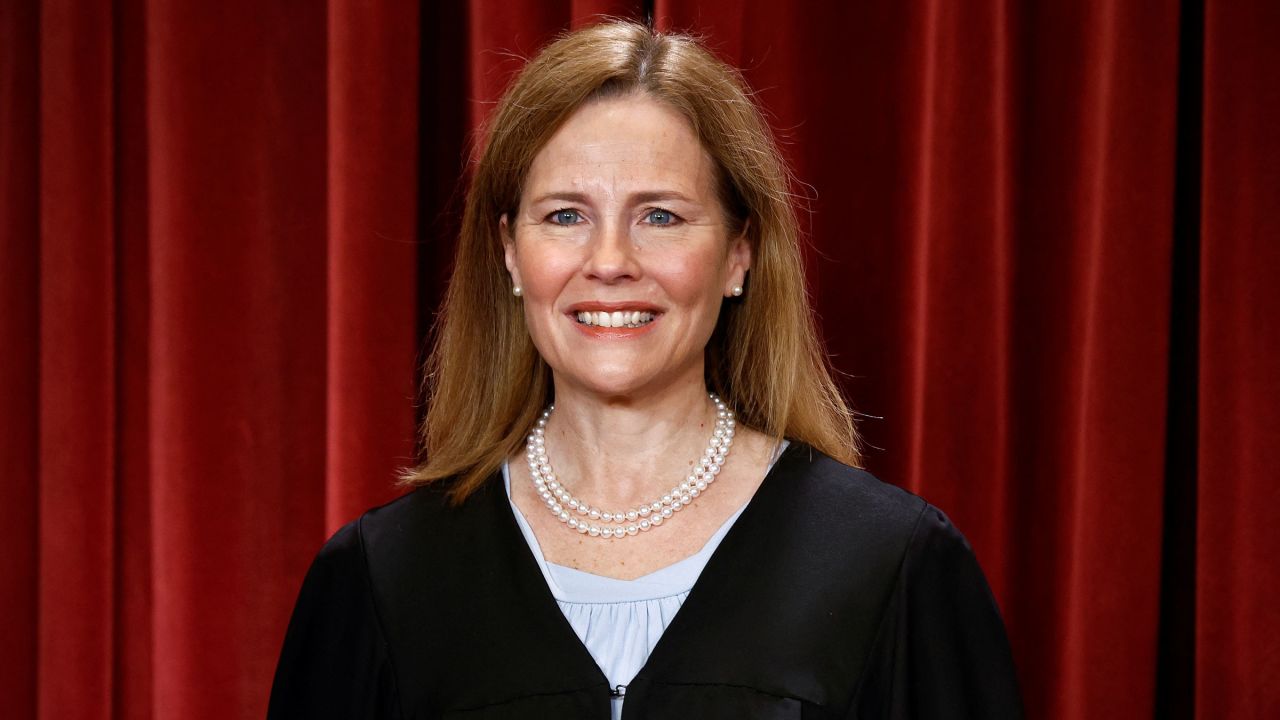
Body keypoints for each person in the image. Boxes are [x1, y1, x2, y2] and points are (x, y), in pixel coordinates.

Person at [268, 20, 1022, 719]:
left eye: (660, 216)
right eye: (565, 215)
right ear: (509, 253)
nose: (609, 263)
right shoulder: (385, 580)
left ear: (738, 253)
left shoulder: (890, 568)